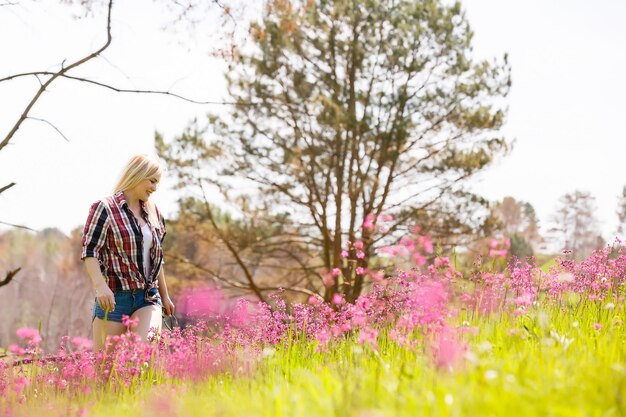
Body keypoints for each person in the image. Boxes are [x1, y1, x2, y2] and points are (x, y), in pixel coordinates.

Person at [81, 154, 175, 351]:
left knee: (141, 356)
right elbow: (90, 252)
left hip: (148, 298)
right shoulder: (104, 208)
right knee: (106, 373)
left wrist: (165, 296)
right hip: (114, 300)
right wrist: (101, 286)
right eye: (152, 181)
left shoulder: (155, 214)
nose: (155, 188)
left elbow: (157, 260)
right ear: (138, 175)